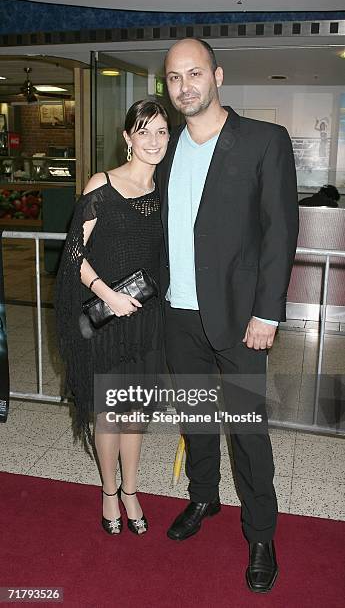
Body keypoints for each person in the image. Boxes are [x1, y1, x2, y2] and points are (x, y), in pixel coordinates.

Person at [156, 38, 299, 593]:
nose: (184, 86)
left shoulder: (263, 140)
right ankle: (203, 497)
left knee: (247, 429)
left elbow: (280, 233)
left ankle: (260, 532)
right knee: (195, 417)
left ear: (216, 75)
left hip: (242, 318)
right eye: (173, 78)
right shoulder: (164, 148)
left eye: (194, 74)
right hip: (178, 314)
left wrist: (268, 313)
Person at [55, 99, 170, 536]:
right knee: (110, 413)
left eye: (161, 131)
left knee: (135, 411)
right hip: (106, 317)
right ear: (127, 138)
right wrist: (108, 293)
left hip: (146, 321)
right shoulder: (101, 185)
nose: (153, 140)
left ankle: (131, 491)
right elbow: (74, 254)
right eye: (144, 131)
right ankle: (108, 492)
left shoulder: (165, 192)